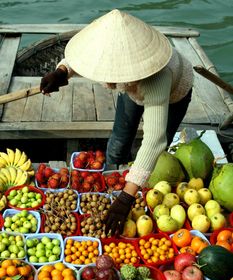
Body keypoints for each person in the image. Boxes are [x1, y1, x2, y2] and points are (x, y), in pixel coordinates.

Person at [40, 9, 194, 236]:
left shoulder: (156, 77)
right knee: (120, 137)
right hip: (133, 89)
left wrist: (126, 198)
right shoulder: (115, 60)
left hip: (173, 94)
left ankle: (136, 184)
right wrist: (62, 72)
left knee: (157, 150)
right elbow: (84, 57)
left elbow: (154, 139)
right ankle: (113, 178)